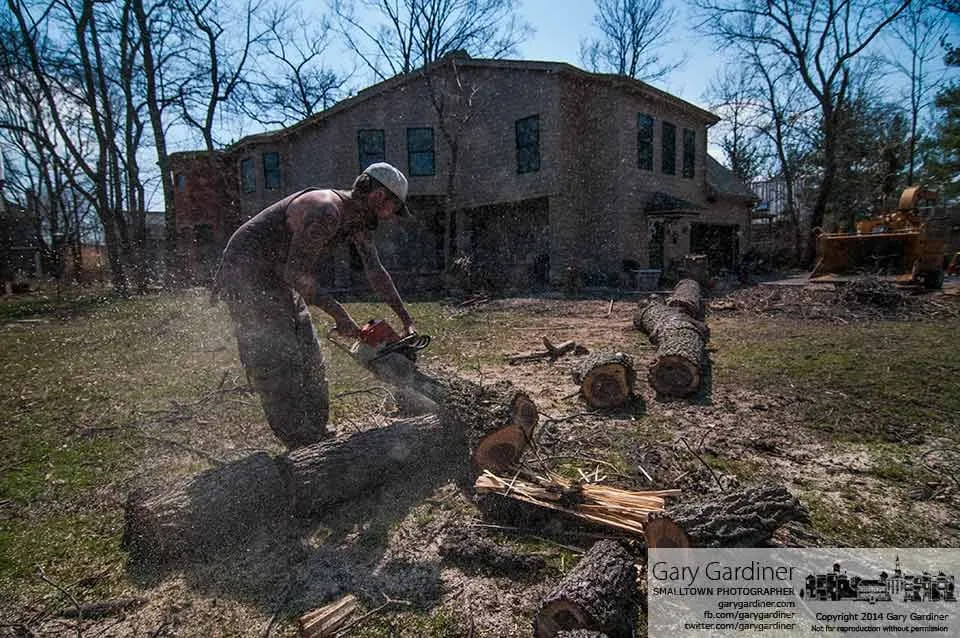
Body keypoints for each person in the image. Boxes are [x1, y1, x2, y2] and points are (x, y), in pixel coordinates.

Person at [212, 162, 416, 448]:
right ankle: (299, 444)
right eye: (393, 208)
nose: (391, 216)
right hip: (248, 276)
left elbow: (376, 272)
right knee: (279, 358)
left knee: (310, 356)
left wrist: (406, 320)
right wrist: (340, 315)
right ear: (378, 196)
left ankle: (318, 434)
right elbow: (296, 275)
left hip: (279, 278)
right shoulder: (326, 211)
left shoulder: (356, 221)